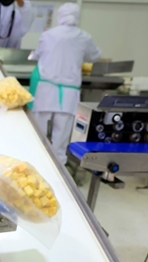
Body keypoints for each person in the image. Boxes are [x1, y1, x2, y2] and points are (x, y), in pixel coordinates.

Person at [30, 3, 101, 165]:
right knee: (61, 139)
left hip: (46, 90)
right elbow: (95, 55)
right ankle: (58, 169)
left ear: (60, 16)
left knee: (38, 133)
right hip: (68, 94)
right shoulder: (84, 37)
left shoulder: (48, 35)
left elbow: (38, 54)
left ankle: (35, 164)